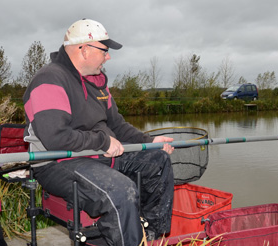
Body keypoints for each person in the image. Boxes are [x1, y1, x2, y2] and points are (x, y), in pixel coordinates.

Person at [23, 18, 174, 245]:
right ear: (83, 49)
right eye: (104, 50)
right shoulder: (49, 79)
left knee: (158, 160)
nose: (108, 56)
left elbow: (117, 125)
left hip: (98, 156)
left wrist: (150, 140)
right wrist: (103, 141)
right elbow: (56, 137)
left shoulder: (98, 82)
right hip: (58, 162)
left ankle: (150, 235)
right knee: (122, 191)